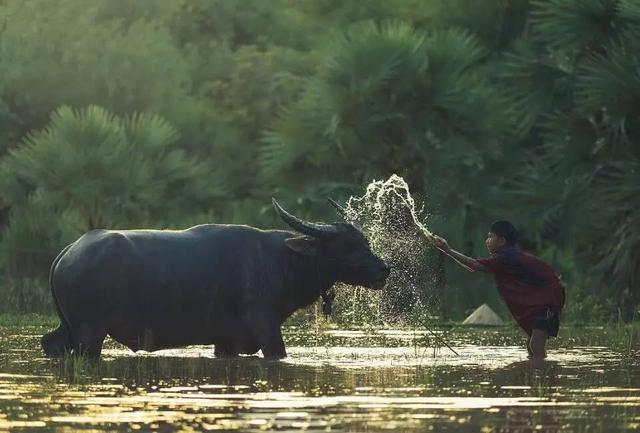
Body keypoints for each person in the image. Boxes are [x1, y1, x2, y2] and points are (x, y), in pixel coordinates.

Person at [428, 221, 565, 360]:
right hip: (543, 300)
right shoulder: (507, 256)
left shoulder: (506, 257)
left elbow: (474, 265)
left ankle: (543, 374)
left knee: (536, 345)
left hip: (546, 301)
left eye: (490, 237)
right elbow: (474, 267)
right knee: (531, 345)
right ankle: (534, 376)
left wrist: (447, 249)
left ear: (501, 241)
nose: (487, 241)